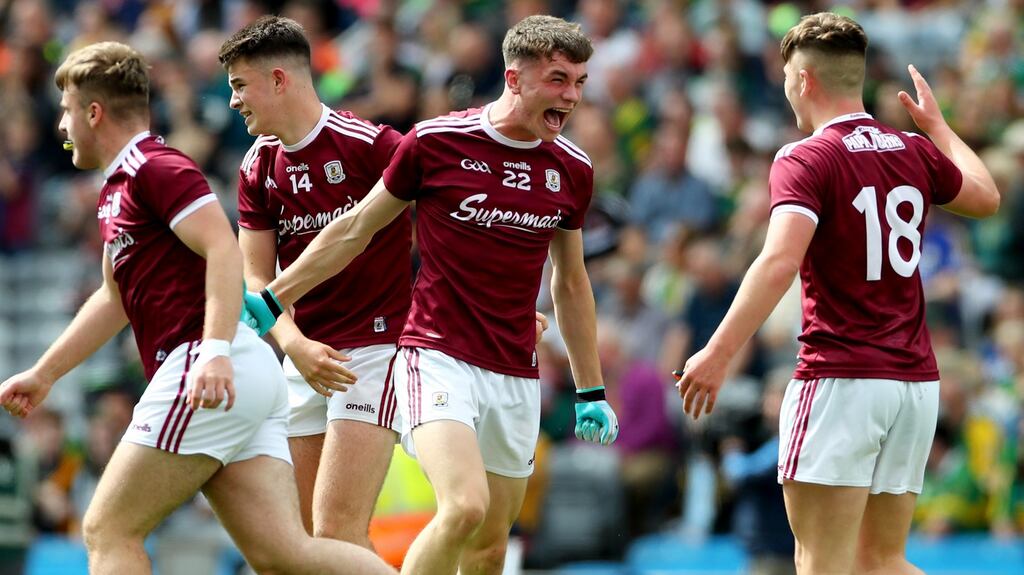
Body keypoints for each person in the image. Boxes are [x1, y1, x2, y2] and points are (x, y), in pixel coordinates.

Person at [0, 41, 394, 575]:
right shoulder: (116, 186)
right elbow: (114, 299)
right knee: (286, 554)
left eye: (67, 112)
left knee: (108, 528)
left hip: (207, 367)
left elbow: (224, 249)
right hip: (239, 370)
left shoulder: (154, 167)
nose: (62, 127)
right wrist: (45, 374)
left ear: (93, 113)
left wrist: (213, 351)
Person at [245, 15, 619, 575]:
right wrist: (276, 297)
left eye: (580, 83)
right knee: (463, 507)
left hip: (515, 368)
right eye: (559, 80)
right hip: (436, 357)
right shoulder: (436, 141)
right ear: (514, 79)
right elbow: (356, 228)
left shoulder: (573, 169)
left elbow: (570, 282)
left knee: (491, 546)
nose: (571, 96)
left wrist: (591, 387)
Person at [674, 12, 999, 575]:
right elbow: (986, 196)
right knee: (881, 562)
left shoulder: (806, 158)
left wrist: (718, 351)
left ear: (803, 80)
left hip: (841, 378)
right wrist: (939, 130)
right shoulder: (913, 150)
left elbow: (779, 260)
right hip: (914, 384)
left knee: (822, 564)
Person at [218, 15, 409, 548]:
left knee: (336, 532)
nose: (233, 101)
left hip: (374, 352)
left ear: (279, 80)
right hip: (305, 357)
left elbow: (445, 225)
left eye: (239, 85)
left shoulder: (371, 145)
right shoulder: (258, 165)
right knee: (310, 542)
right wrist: (295, 344)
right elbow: (255, 275)